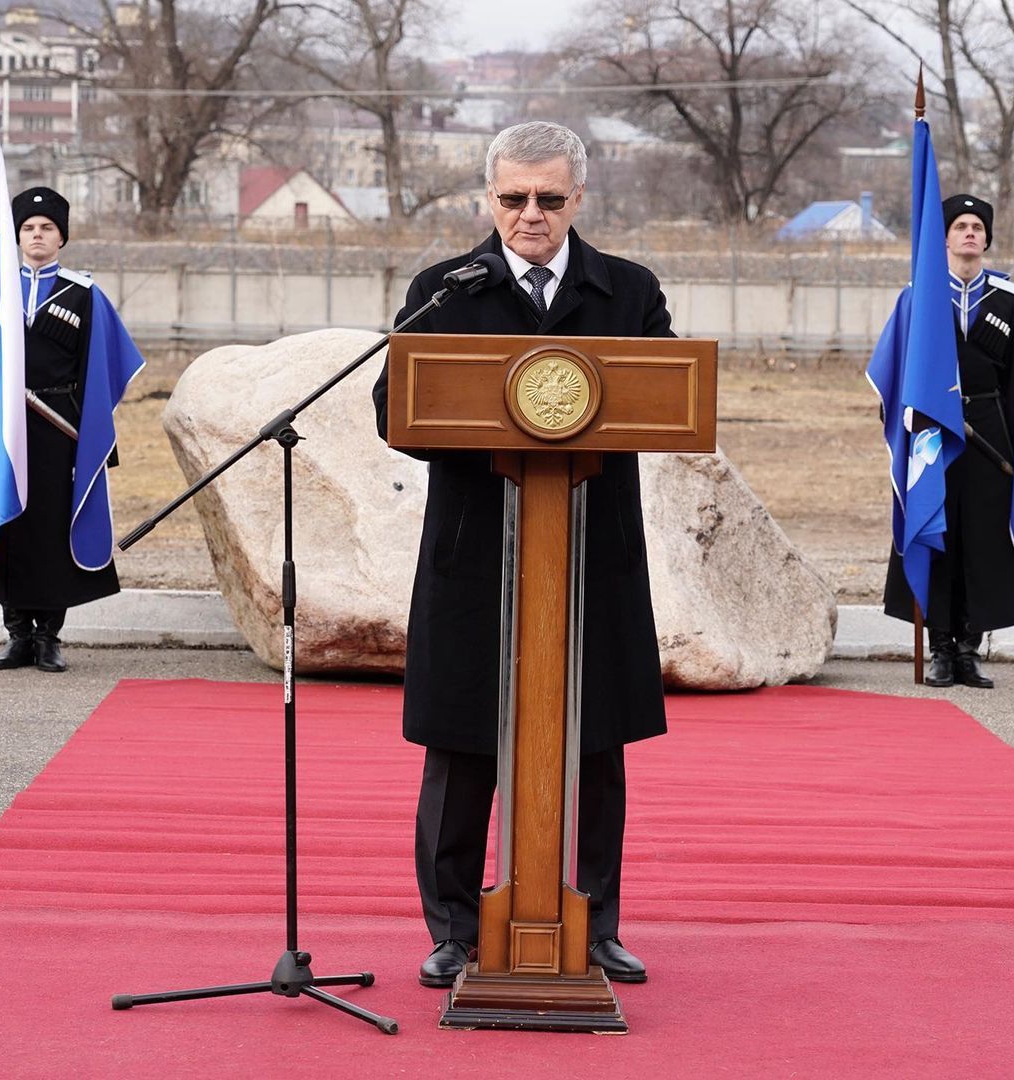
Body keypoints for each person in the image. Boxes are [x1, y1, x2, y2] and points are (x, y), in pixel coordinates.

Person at [372, 121, 672, 988]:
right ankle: (456, 930)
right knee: (463, 748)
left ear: (578, 198)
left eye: (548, 197)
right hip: (477, 554)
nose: (530, 214)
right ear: (489, 197)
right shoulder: (444, 290)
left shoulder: (628, 291)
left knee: (594, 744)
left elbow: (665, 399)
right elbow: (395, 408)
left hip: (590, 557)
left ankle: (594, 922)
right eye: (513, 197)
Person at [875, 194, 1014, 688]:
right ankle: (941, 648)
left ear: (987, 239)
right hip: (933, 434)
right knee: (937, 531)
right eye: (960, 226)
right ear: (945, 238)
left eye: (978, 226)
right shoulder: (919, 298)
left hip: (991, 435)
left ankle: (970, 650)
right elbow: (896, 371)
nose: (970, 233)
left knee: (984, 538)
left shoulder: (1011, 300)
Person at [0, 187, 144, 672]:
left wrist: (88, 427)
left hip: (59, 430)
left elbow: (108, 366)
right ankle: (17, 635)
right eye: (28, 228)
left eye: (46, 227)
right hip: (6, 432)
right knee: (9, 525)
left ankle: (48, 637)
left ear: (61, 237)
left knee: (52, 528)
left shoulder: (84, 293)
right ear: (16, 236)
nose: (37, 235)